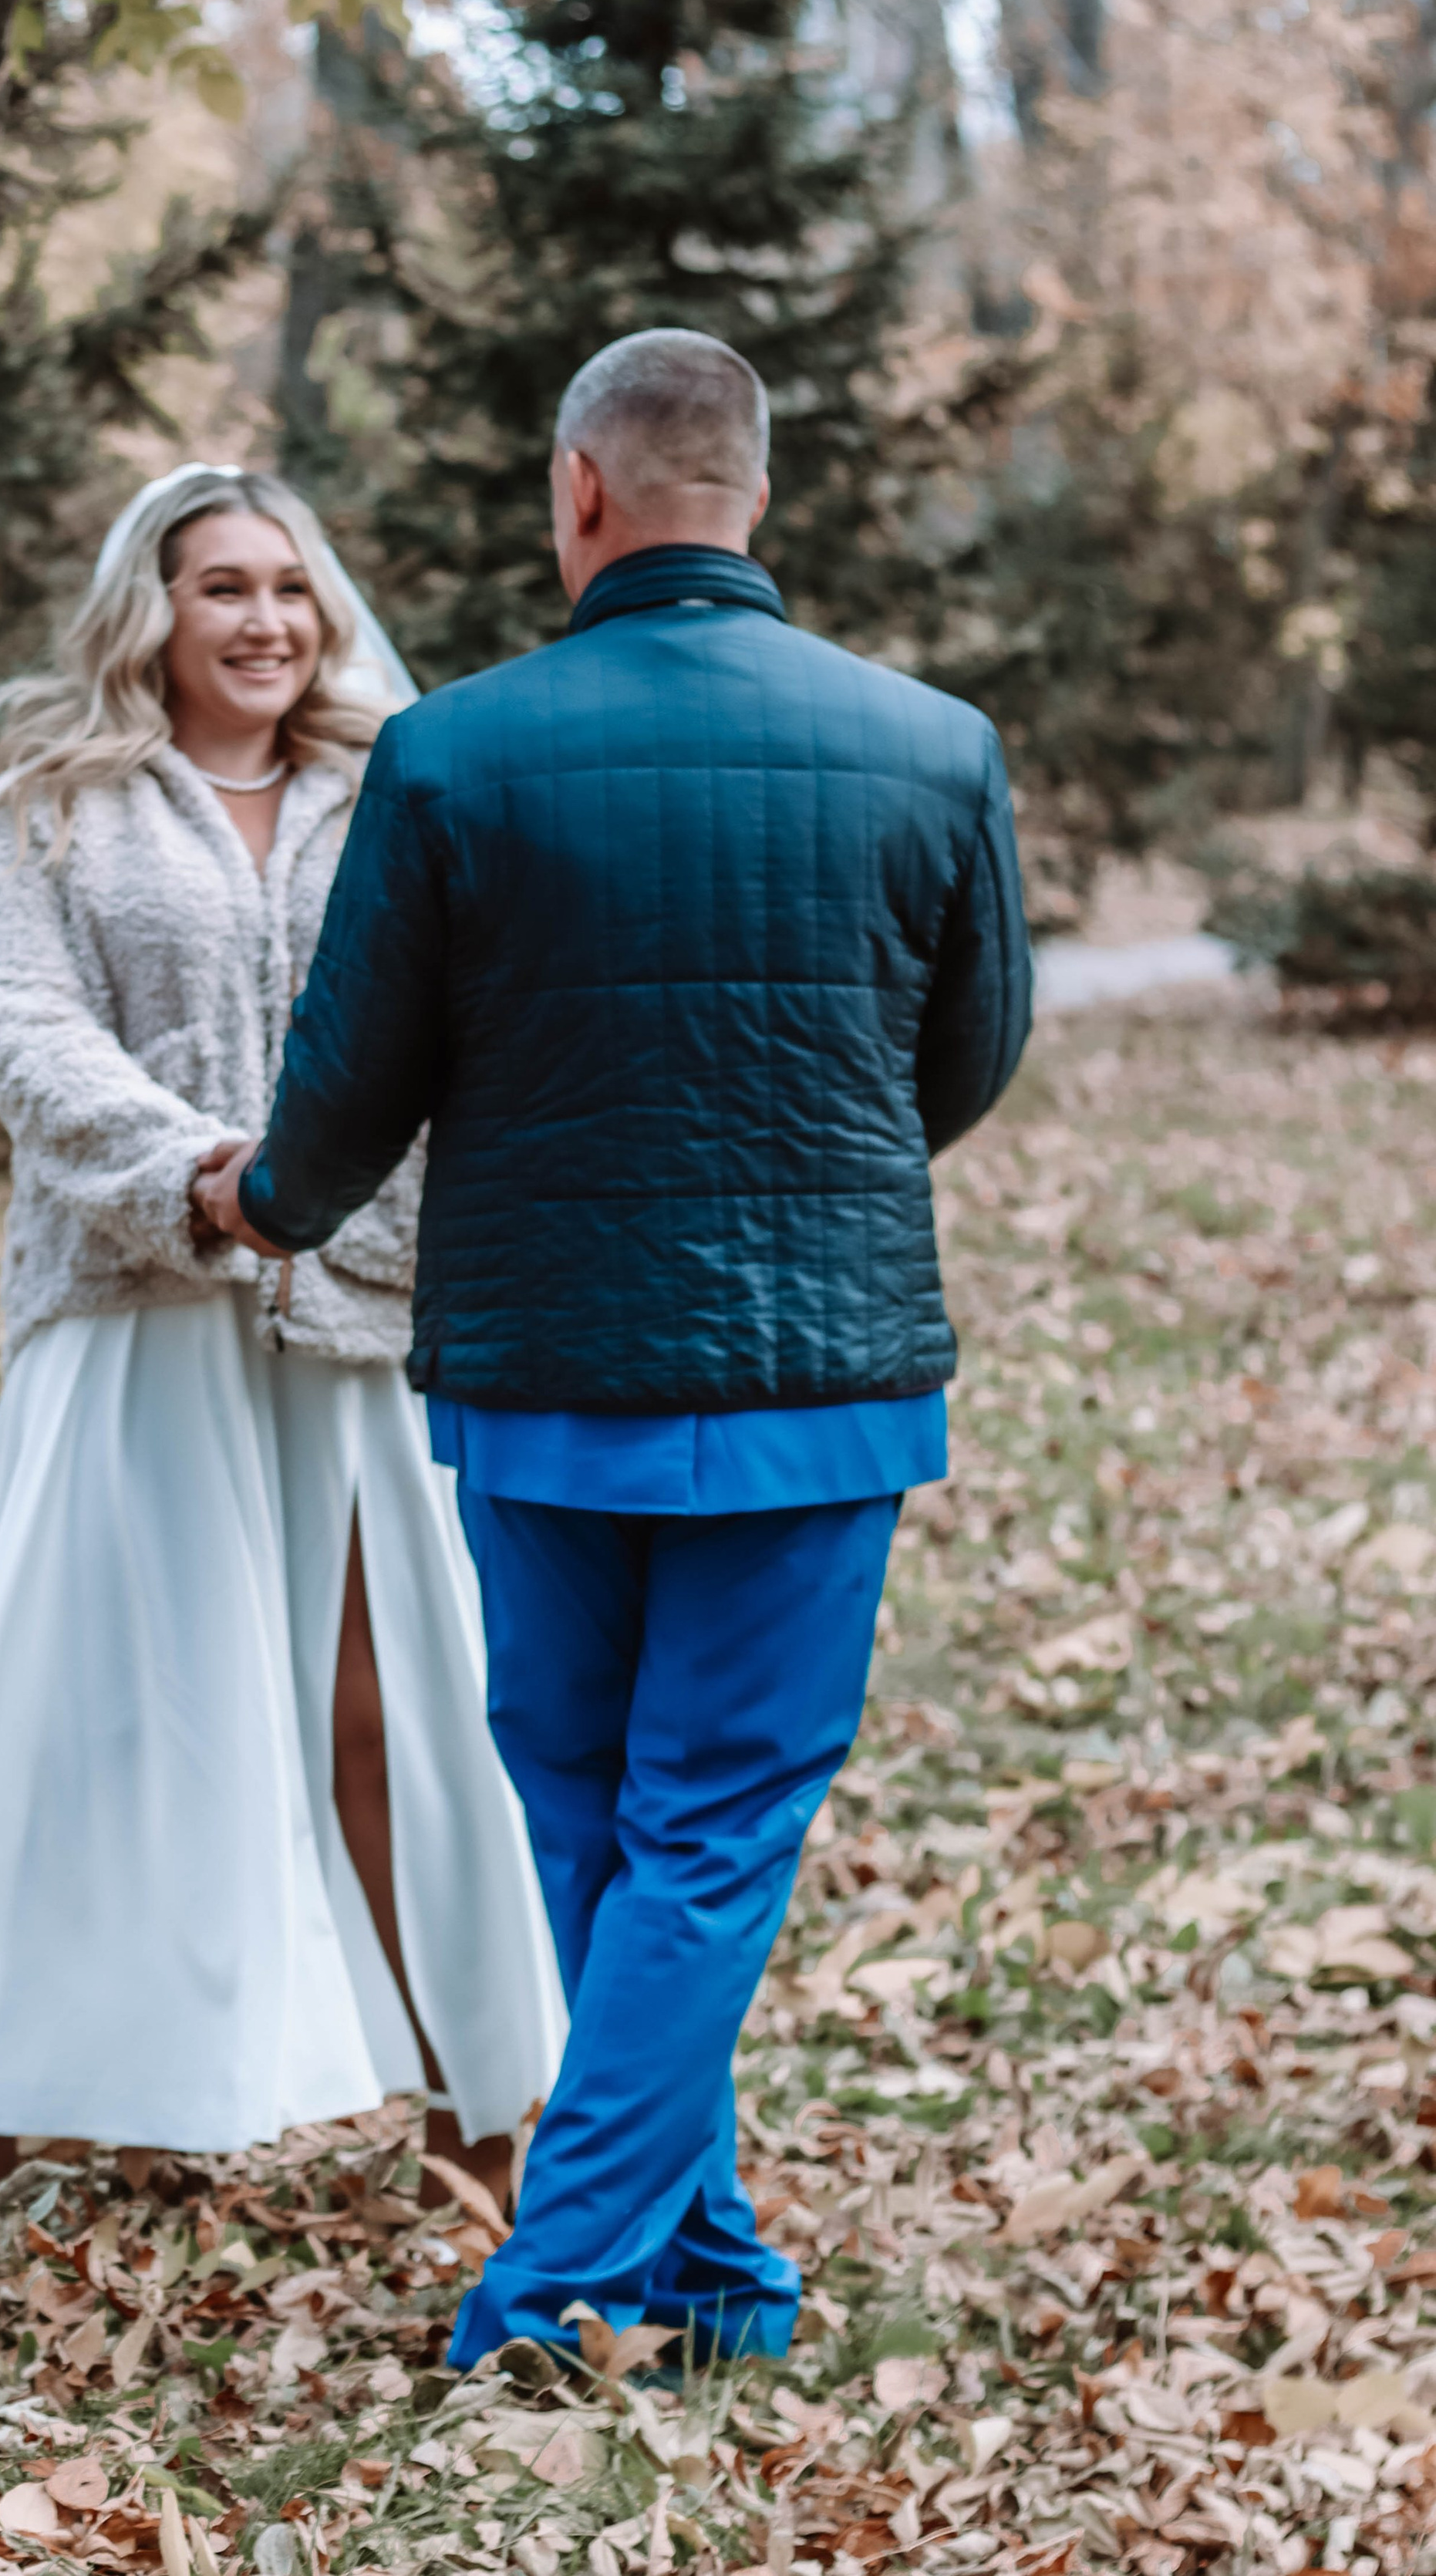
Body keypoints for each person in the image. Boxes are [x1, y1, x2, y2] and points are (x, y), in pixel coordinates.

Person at [196, 332, 1032, 2367]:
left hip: (552, 1382)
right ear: (755, 493)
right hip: (812, 1393)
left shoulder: (459, 754)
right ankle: (714, 2263)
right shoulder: (931, 744)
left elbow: (352, 1077)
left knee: (610, 1812)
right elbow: (975, 1045)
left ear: (582, 493)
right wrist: (817, 1168)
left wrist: (264, 1200)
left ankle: (561, 2273)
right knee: (684, 1832)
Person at [0, 464, 564, 2202]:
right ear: (157, 607)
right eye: (223, 587)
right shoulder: (57, 804)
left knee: (393, 1714)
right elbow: (26, 1029)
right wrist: (201, 1178)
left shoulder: (398, 795)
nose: (265, 619)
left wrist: (334, 1204)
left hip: (352, 1322)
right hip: (134, 1312)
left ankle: (478, 2098)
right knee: (90, 1707)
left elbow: (473, 1034)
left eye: (289, 586)